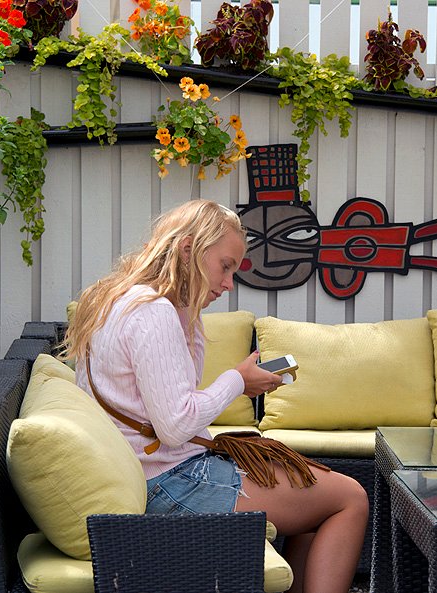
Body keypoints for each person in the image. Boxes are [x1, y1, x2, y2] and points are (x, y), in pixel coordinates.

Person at [62, 199, 368, 593]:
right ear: (188, 249)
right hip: (170, 484)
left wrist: (190, 319)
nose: (228, 284)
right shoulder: (154, 313)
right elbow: (176, 426)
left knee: (316, 500)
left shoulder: (121, 301)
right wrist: (237, 381)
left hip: (155, 474)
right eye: (225, 266)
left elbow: (165, 406)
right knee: (350, 498)